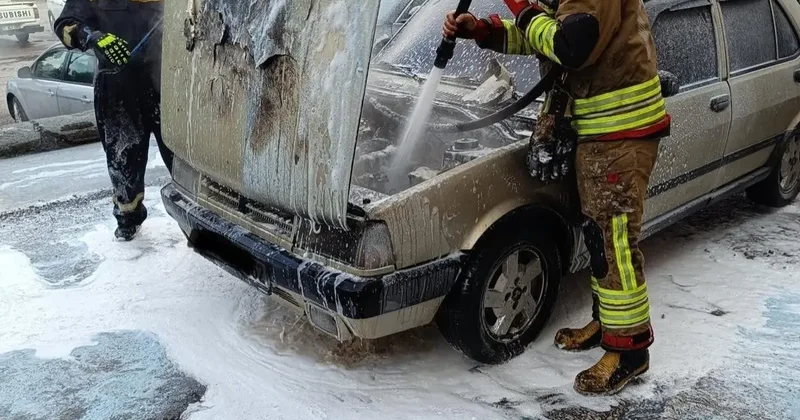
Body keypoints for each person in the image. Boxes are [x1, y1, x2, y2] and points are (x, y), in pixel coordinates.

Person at [443, 0, 671, 395]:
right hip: (600, 135)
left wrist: (521, 7)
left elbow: (571, 45)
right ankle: (607, 323)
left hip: (619, 135)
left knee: (614, 243)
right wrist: (482, 31)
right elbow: (544, 32)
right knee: (600, 241)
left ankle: (630, 351)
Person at [55, 0, 173, 241]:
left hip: (167, 82)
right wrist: (93, 37)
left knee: (183, 159)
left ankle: (197, 219)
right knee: (124, 163)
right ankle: (128, 225)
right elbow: (65, 26)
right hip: (118, 89)